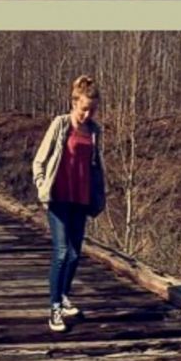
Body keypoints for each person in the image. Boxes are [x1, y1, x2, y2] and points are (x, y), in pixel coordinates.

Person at [31, 75, 106, 332]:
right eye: (84, 108)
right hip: (59, 197)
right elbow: (39, 160)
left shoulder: (95, 132)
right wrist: (42, 187)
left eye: (92, 109)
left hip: (80, 199)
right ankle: (54, 308)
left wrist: (98, 195)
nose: (87, 114)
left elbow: (95, 167)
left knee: (75, 254)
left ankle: (63, 296)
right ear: (74, 103)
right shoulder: (61, 124)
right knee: (62, 252)